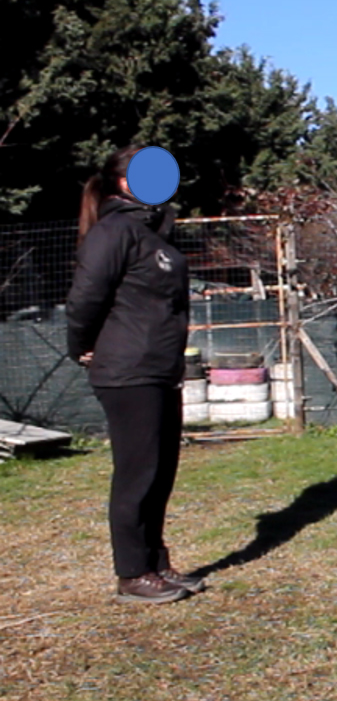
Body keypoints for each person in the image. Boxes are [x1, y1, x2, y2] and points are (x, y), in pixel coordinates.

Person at [66, 145, 204, 603]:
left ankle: (157, 564)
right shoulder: (113, 232)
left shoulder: (155, 234)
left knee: (161, 473)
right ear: (126, 183)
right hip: (128, 371)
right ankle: (132, 574)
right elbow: (85, 298)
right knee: (137, 475)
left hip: (162, 367)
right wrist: (80, 345)